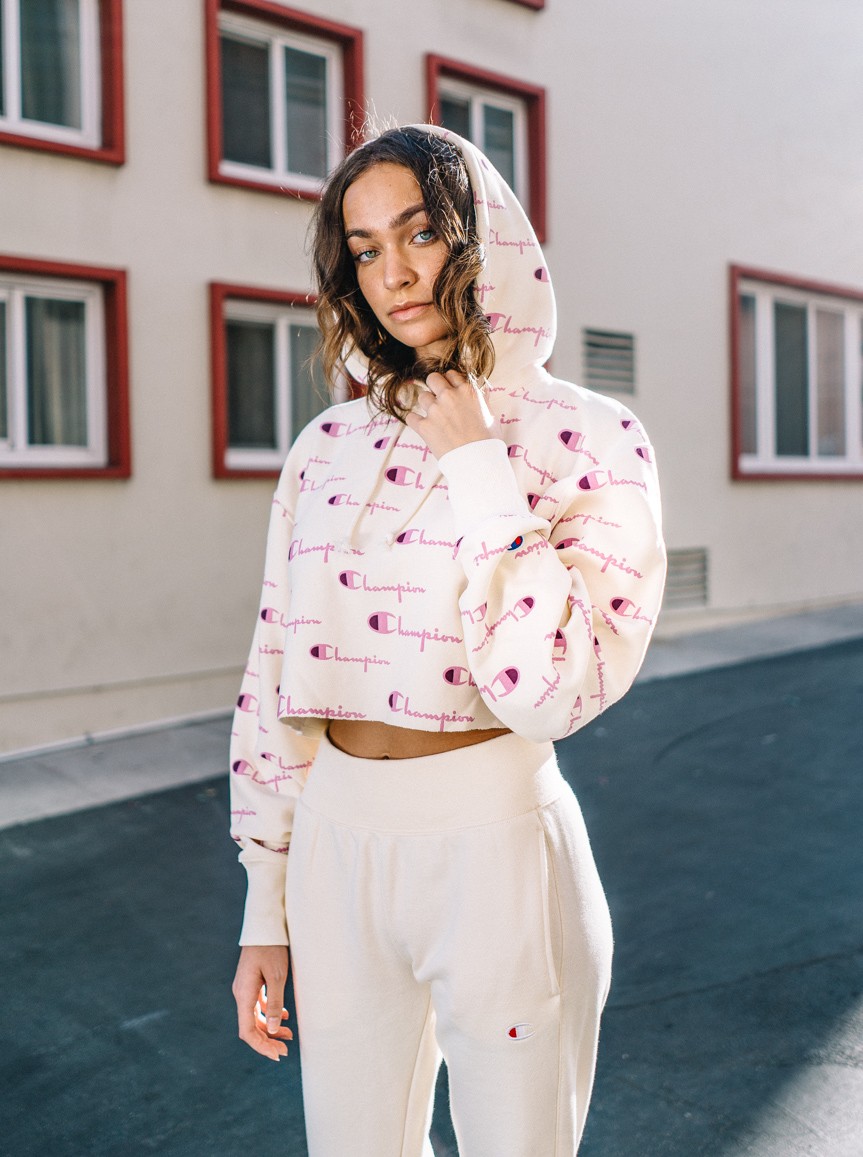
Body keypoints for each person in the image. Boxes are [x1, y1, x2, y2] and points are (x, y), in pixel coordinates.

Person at [229, 124, 666, 1156]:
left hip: (495, 843)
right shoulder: (325, 447)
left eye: (419, 233)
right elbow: (274, 671)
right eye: (364, 249)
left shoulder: (590, 438)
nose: (392, 272)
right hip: (334, 843)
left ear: (481, 237)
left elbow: (550, 688)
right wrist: (264, 905)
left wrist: (477, 465)